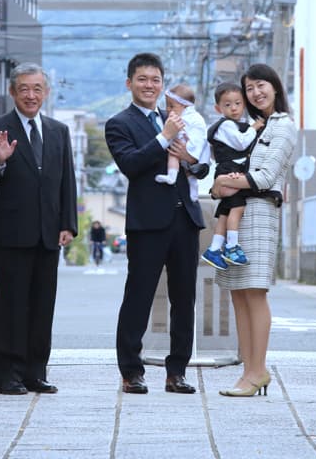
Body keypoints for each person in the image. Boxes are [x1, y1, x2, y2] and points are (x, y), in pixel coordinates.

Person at [0, 63, 77, 395]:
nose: (31, 95)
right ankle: (8, 373)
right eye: (24, 89)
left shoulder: (58, 130)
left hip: (49, 234)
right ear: (12, 91)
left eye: (37, 89)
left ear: (46, 92)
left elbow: (67, 182)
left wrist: (68, 224)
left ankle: (36, 371)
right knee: (12, 305)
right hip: (12, 233)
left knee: (43, 304)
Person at [105, 53, 205, 395]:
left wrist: (190, 158)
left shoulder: (177, 117)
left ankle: (177, 370)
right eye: (143, 79)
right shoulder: (119, 123)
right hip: (148, 223)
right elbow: (131, 165)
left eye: (155, 80)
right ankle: (132, 371)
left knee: (183, 298)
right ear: (129, 83)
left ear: (163, 85)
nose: (149, 85)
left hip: (185, 219)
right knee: (139, 296)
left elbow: (201, 167)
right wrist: (163, 138)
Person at [212, 64, 297, 397]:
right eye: (249, 89)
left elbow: (264, 175)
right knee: (238, 293)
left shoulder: (284, 126)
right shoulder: (245, 126)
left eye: (261, 85)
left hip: (259, 211)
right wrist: (220, 184)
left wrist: (222, 183)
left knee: (255, 292)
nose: (255, 93)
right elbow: (224, 175)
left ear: (275, 86)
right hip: (236, 210)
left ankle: (258, 370)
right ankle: (248, 371)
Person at [201, 82, 264, 270]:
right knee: (238, 208)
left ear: (244, 103)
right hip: (230, 171)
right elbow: (241, 144)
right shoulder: (227, 125)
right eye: (227, 105)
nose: (234, 108)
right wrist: (255, 127)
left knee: (225, 213)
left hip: (226, 169)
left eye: (237, 103)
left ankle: (213, 249)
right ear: (218, 108)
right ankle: (232, 247)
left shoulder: (228, 125)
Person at [154, 83, 210, 201]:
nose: (168, 109)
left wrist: (190, 154)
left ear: (185, 106)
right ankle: (172, 176)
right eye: (167, 105)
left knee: (188, 172)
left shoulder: (194, 118)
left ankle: (193, 191)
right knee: (173, 154)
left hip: (191, 145)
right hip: (177, 148)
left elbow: (200, 135)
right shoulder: (172, 117)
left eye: (171, 106)